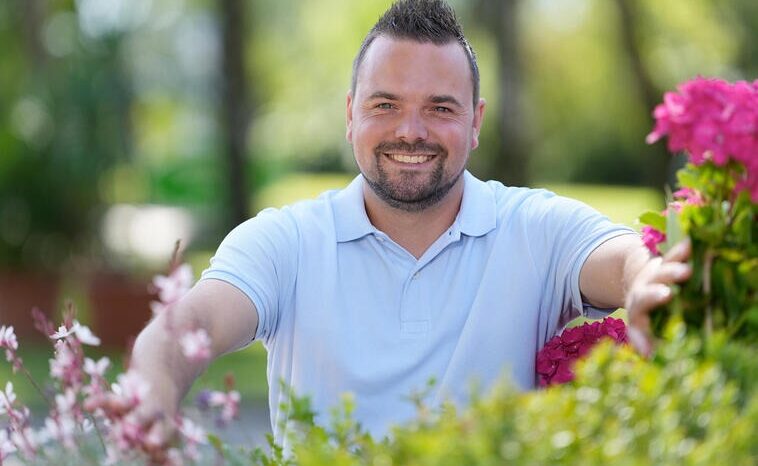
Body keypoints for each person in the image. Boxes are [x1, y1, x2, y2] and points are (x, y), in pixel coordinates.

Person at [123, 0, 691, 449]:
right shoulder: (285, 242)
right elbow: (191, 321)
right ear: (351, 115)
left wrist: (645, 280)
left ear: (476, 122)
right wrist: (153, 395)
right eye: (385, 105)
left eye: (440, 108)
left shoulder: (533, 228)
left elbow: (620, 255)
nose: (411, 131)